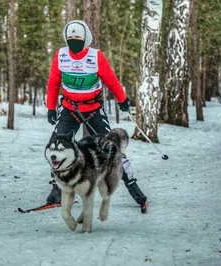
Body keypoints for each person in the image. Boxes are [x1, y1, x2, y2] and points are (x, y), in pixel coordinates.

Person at [45, 20, 148, 213]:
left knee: (112, 150)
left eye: (78, 38)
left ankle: (135, 190)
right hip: (70, 109)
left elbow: (111, 80)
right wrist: (51, 108)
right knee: (58, 147)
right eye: (71, 38)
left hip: (93, 109)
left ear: (86, 40)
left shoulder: (96, 57)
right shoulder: (61, 55)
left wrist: (122, 99)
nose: (74, 42)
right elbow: (53, 84)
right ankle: (57, 192)